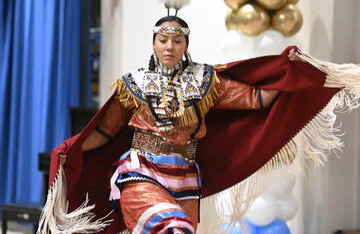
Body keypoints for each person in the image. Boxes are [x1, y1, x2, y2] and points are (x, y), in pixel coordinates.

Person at [39, 14, 360, 234]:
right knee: (173, 228)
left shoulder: (206, 82)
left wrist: (287, 71)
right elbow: (105, 133)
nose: (169, 46)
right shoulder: (134, 83)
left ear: (185, 45)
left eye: (176, 41)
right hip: (140, 173)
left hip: (184, 179)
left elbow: (258, 99)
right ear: (153, 43)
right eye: (163, 39)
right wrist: (73, 149)